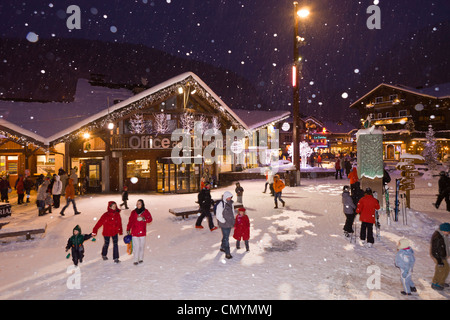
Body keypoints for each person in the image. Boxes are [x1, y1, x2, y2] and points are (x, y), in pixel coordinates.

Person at [126, 199, 153, 265]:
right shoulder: (133, 212)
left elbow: (150, 219)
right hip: (134, 232)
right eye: (137, 203)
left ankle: (140, 258)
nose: (138, 205)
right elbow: (130, 221)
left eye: (139, 204)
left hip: (142, 232)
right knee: (136, 246)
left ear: (142, 204)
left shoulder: (146, 212)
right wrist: (128, 229)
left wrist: (144, 219)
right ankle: (135, 260)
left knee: (141, 246)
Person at [216, 191, 235, 259]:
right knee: (226, 238)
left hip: (229, 223)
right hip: (224, 224)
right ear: (225, 197)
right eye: (228, 197)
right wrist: (223, 221)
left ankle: (222, 246)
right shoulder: (221, 204)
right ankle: (228, 253)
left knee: (225, 236)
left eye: (230, 197)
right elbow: (218, 215)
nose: (229, 198)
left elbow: (232, 212)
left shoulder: (231, 203)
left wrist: (233, 221)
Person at [430, 222, 450, 291]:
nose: (448, 234)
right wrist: (439, 260)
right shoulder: (437, 237)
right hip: (438, 257)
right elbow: (434, 249)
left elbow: (445, 245)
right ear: (444, 231)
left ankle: (441, 281)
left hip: (442, 255)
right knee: (440, 270)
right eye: (448, 232)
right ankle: (435, 283)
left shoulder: (443, 235)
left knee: (446, 268)